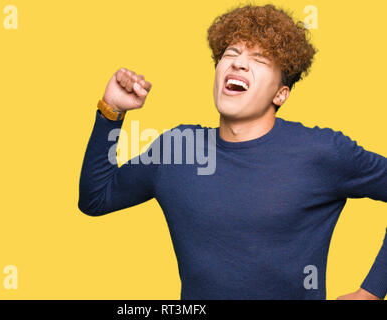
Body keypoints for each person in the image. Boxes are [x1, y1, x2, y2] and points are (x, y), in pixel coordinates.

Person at [77, 3, 386, 299]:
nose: (239, 62)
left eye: (260, 60)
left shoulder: (322, 152)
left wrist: (371, 291)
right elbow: (96, 199)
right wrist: (111, 112)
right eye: (231, 53)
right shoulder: (177, 149)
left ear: (281, 93)